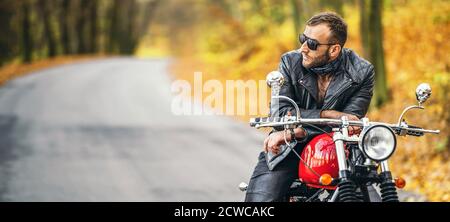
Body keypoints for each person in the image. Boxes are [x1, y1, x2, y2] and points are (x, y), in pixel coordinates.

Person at [245, 12, 375, 202]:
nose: (303, 48)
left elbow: (349, 123)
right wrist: (329, 115)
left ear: (334, 50)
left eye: (312, 44)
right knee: (260, 202)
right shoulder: (289, 62)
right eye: (303, 39)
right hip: (288, 149)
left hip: (339, 151)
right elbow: (280, 114)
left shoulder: (362, 72)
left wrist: (295, 131)